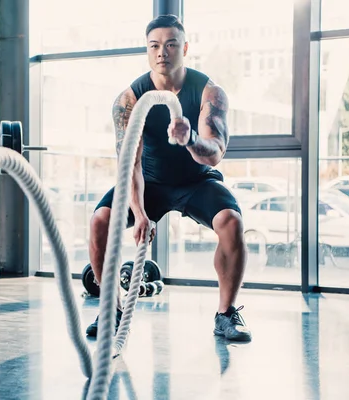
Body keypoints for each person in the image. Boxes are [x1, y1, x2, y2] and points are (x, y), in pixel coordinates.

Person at [85, 15, 252, 342]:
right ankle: (112, 311)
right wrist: (140, 212)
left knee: (231, 222)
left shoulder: (209, 92)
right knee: (99, 221)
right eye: (155, 46)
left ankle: (226, 314)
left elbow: (215, 152)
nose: (163, 52)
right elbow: (128, 164)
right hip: (150, 183)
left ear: (184, 48)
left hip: (196, 181)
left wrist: (189, 138)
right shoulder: (129, 99)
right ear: (148, 51)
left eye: (171, 44)